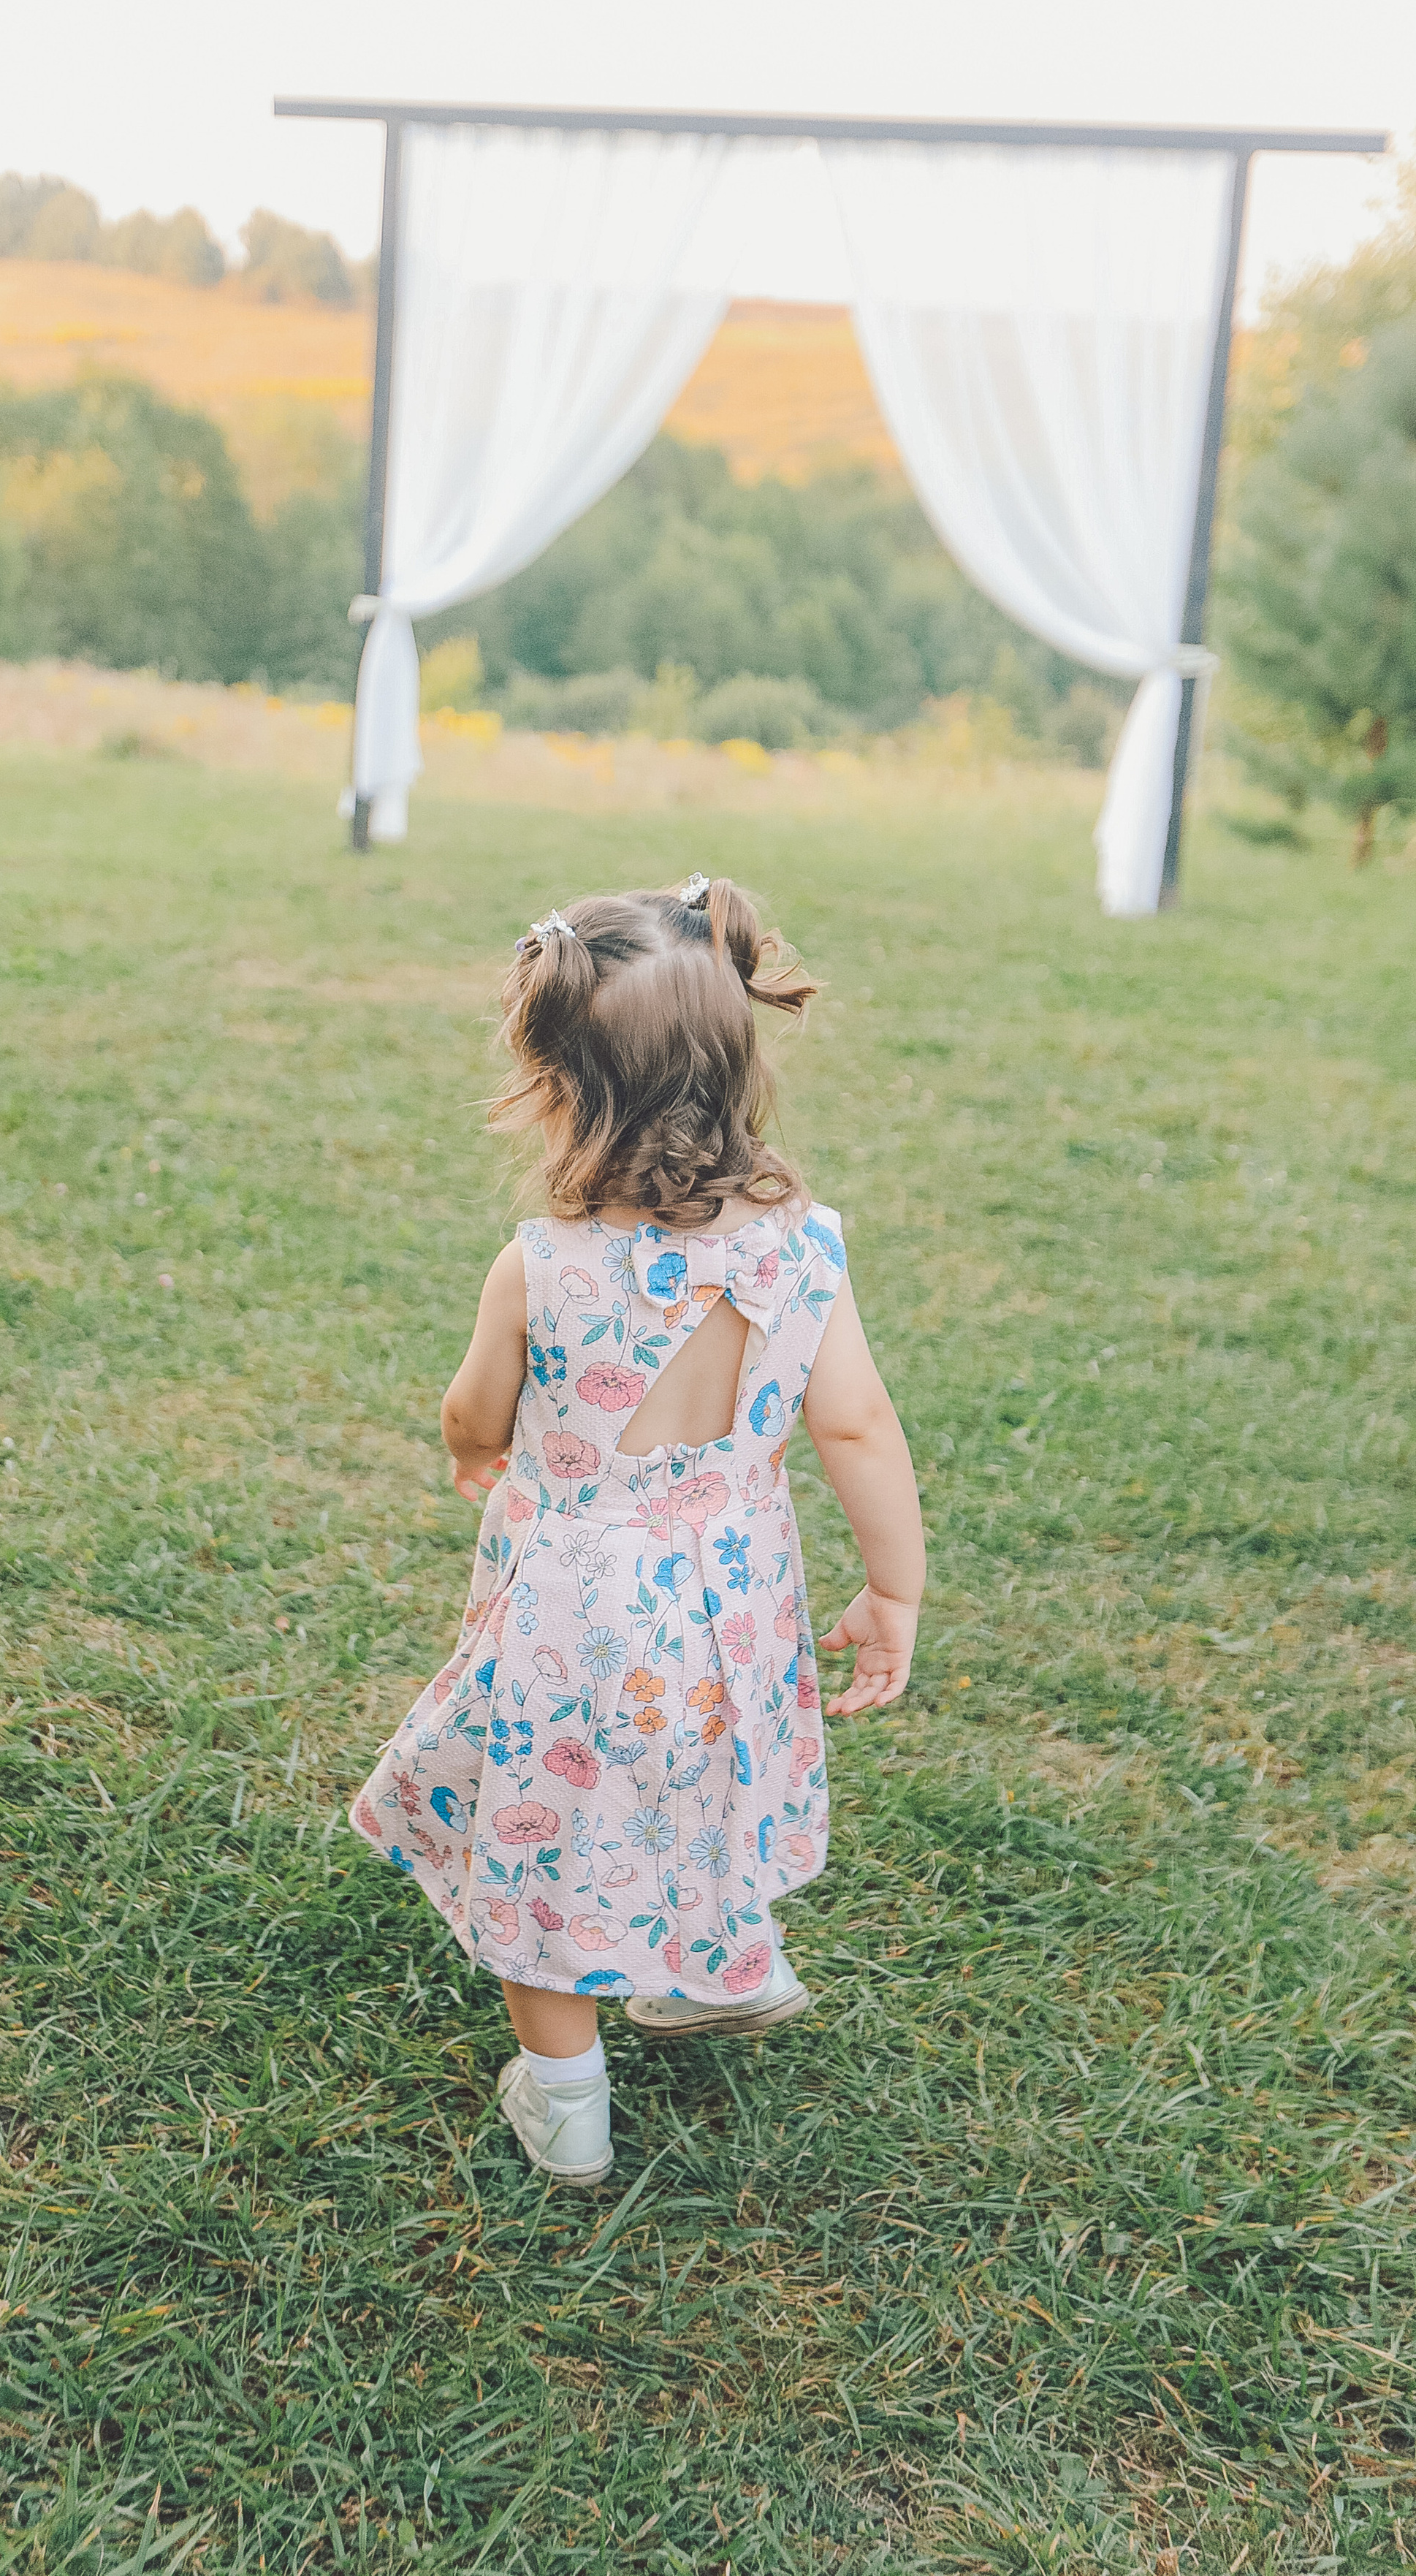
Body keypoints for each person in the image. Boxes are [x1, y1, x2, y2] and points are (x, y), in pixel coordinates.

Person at [349, 874, 924, 2184]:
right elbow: (860, 1431)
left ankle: (565, 2101)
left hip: (577, 1604)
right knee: (705, 1766)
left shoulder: (543, 1264)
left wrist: (469, 1447)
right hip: (733, 1589)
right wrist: (892, 1590)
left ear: (562, 1085)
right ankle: (724, 1959)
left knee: (551, 1817)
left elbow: (474, 1404)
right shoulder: (805, 1252)